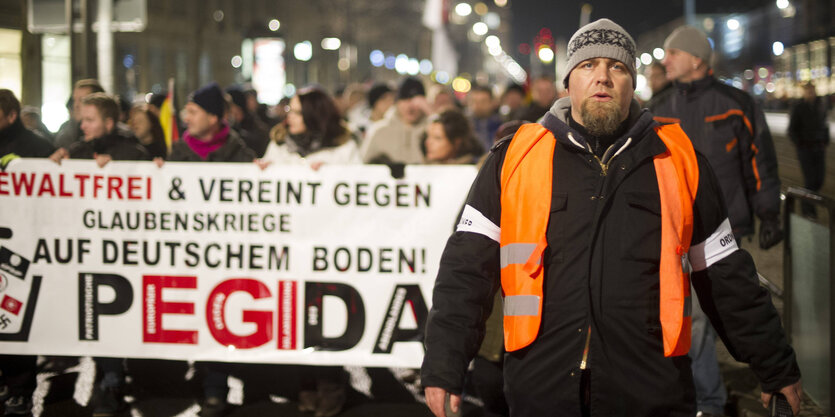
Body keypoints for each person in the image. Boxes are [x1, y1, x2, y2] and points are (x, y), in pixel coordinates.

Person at [421, 18, 802, 417]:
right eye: (588, 65)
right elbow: (466, 270)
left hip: (650, 389)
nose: (602, 77)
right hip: (542, 389)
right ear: (569, 81)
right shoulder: (513, 159)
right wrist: (445, 363)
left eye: (617, 66)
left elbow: (726, 275)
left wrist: (774, 364)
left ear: (632, 83)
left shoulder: (678, 160)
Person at [650, 25, 785, 415]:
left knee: (709, 314)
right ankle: (708, 399)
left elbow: (760, 161)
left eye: (672, 54)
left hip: (721, 230)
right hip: (672, 230)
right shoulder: (658, 106)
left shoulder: (736, 103)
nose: (665, 60)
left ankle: (707, 399)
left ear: (696, 59)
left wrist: (768, 212)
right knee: (689, 317)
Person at [0, 89, 55, 417]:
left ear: (9, 116)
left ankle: (20, 389)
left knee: (17, 321)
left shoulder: (36, 148)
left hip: (22, 247)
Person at [261, 87, 361, 167]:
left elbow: (357, 180)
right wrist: (265, 170)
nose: (290, 117)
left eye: (297, 113)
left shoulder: (344, 147)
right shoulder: (279, 144)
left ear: (315, 116)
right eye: (289, 110)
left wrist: (331, 173)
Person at [168, 82, 256, 163]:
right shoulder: (177, 152)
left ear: (213, 118)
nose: (187, 118)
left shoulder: (238, 152)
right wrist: (158, 170)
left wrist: (260, 169)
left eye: (193, 112)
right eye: (187, 112)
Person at [50, 92, 150, 164]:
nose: (83, 126)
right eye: (83, 120)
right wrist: (55, 163)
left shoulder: (135, 155)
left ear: (108, 123)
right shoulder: (76, 151)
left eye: (89, 120)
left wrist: (113, 167)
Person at [361, 77, 430, 164]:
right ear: (397, 102)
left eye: (415, 101)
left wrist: (431, 113)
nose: (410, 106)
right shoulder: (379, 130)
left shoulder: (431, 131)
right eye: (405, 100)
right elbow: (364, 165)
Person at [788, 82, 829, 218]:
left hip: (819, 148)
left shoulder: (820, 105)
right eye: (808, 91)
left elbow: (824, 124)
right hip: (805, 149)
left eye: (813, 90)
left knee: (819, 179)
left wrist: (825, 140)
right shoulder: (799, 108)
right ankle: (808, 208)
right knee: (810, 180)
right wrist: (800, 143)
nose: (811, 93)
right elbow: (792, 130)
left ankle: (808, 203)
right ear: (804, 92)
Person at [54, 79, 105, 149]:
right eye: (74, 100)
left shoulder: (119, 138)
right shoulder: (66, 132)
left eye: (82, 100)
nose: (76, 105)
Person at [226, 86, 271, 157]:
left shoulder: (257, 130)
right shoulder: (229, 128)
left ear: (238, 108)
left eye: (228, 107)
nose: (227, 112)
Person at [467, 85, 503, 152]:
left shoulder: (501, 125)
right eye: (474, 101)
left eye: (483, 101)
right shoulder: (465, 126)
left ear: (492, 102)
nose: (478, 105)